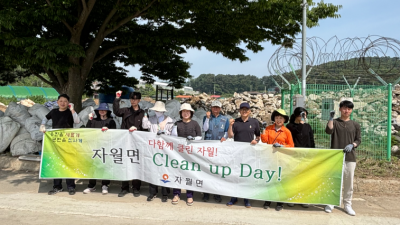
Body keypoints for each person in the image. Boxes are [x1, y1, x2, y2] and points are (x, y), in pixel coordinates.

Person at [39, 94, 81, 195]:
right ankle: (57, 186)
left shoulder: (70, 112)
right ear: (57, 102)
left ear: (68, 103)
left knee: (69, 163)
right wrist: (42, 125)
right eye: (61, 101)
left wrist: (72, 110)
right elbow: (45, 118)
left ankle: (71, 186)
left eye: (65, 101)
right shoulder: (53, 112)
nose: (63, 103)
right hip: (56, 142)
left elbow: (77, 121)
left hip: (68, 142)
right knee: (56, 164)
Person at [324, 100, 361, 216]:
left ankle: (347, 204)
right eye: (344, 108)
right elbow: (328, 131)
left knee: (348, 181)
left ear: (351, 110)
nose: (346, 111)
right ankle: (331, 202)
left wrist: (353, 145)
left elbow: (358, 139)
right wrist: (330, 118)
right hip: (336, 156)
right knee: (334, 179)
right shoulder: (335, 122)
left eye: (349, 109)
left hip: (350, 157)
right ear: (340, 109)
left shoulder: (355, 124)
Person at [227, 102, 260, 208]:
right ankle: (234, 197)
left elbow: (259, 136)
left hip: (249, 153)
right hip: (237, 153)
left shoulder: (254, 122)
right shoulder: (235, 122)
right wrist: (230, 125)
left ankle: (246, 198)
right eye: (242, 110)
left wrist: (256, 140)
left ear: (249, 111)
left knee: (246, 175)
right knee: (236, 175)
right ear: (240, 111)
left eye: (246, 110)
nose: (244, 111)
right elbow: (230, 135)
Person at [113, 91, 145, 197]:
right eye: (132, 99)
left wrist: (137, 129)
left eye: (135, 99)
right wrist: (117, 98)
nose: (133, 101)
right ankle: (124, 187)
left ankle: (136, 188)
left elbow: (145, 127)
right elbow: (116, 111)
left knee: (136, 164)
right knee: (125, 164)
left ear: (139, 100)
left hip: (137, 143)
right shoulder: (126, 110)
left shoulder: (143, 113)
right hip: (125, 141)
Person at [261, 108, 294, 211]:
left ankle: (280, 202)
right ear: (274, 118)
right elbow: (264, 140)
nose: (279, 120)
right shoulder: (269, 128)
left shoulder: (287, 131)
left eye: (281, 118)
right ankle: (268, 199)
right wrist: (263, 129)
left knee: (280, 179)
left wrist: (282, 147)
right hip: (270, 157)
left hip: (281, 158)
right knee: (270, 178)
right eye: (277, 117)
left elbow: (291, 145)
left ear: (284, 120)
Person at [142, 101, 175, 202]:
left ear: (163, 111)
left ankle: (165, 193)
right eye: (156, 110)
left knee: (164, 170)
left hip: (165, 149)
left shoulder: (170, 120)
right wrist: (145, 115)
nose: (157, 112)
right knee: (153, 171)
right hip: (153, 148)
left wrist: (164, 134)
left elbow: (173, 135)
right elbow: (144, 126)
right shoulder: (151, 119)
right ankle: (153, 192)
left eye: (159, 110)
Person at [170, 103, 202, 206]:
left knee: (189, 174)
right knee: (177, 173)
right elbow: (173, 137)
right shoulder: (177, 123)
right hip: (178, 153)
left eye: (187, 111)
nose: (185, 113)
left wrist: (193, 139)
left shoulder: (195, 124)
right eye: (183, 111)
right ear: (181, 113)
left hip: (191, 153)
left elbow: (199, 136)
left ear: (191, 113)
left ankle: (189, 195)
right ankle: (176, 194)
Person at [83, 103, 117, 195]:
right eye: (100, 110)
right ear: (97, 111)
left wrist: (108, 130)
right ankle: (91, 185)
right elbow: (87, 131)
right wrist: (89, 120)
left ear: (107, 111)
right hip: (94, 147)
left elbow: (115, 134)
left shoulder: (111, 121)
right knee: (93, 166)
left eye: (104, 110)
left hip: (106, 147)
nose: (102, 111)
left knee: (105, 166)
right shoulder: (93, 121)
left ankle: (105, 185)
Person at [286, 107, 315, 208]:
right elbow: (296, 132)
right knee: (294, 176)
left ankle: (304, 198)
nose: (304, 116)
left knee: (305, 176)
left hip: (306, 155)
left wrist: (313, 152)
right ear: (296, 115)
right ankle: (292, 196)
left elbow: (311, 140)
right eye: (302, 114)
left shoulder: (308, 126)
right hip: (294, 155)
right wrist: (301, 123)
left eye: (305, 115)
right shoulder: (290, 126)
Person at [201, 100, 229, 203]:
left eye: (217, 107)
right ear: (211, 108)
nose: (215, 109)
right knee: (207, 170)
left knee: (218, 170)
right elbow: (205, 129)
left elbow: (226, 132)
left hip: (219, 148)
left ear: (220, 108)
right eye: (214, 107)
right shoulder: (206, 118)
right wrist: (208, 119)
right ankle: (206, 193)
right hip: (208, 147)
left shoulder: (225, 119)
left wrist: (225, 138)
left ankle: (217, 193)